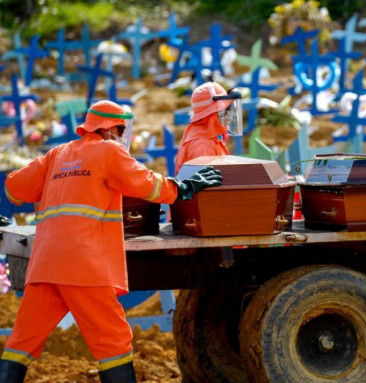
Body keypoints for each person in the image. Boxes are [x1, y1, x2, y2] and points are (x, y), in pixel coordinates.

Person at [0, 100, 222, 383]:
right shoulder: (109, 150)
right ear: (107, 130)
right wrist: (184, 187)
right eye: (120, 130)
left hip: (45, 265)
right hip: (85, 266)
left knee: (21, 343)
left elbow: (14, 189)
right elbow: (146, 183)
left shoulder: (57, 154)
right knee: (113, 343)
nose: (122, 137)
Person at [175, 81, 243, 174]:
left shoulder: (210, 136)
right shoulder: (203, 146)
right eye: (225, 110)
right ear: (211, 115)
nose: (229, 115)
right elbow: (207, 186)